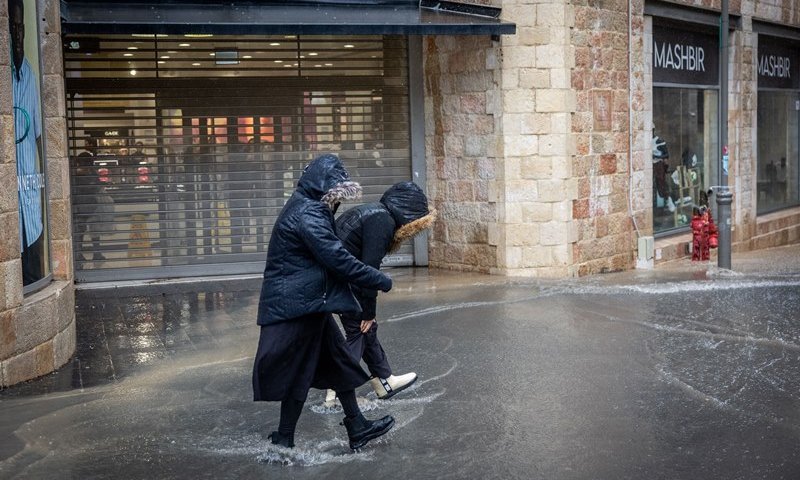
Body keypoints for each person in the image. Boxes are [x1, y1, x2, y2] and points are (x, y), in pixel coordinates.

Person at [252, 153, 395, 451]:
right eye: (336, 193)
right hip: (297, 303)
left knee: (338, 362)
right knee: (298, 372)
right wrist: (377, 279)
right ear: (324, 188)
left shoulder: (308, 206)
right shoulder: (308, 213)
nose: (337, 200)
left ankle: (356, 426)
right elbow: (336, 258)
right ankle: (284, 437)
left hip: (309, 300)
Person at [325, 181, 436, 405]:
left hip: (335, 276)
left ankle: (384, 381)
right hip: (341, 279)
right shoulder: (382, 221)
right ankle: (337, 389)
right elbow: (369, 271)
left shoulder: (374, 212)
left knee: (366, 330)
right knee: (359, 329)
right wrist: (369, 310)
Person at [10, 0, 45, 285]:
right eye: (11, 27)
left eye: (20, 27)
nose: (17, 35)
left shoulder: (31, 74)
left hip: (31, 203)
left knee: (32, 278)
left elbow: (39, 136)